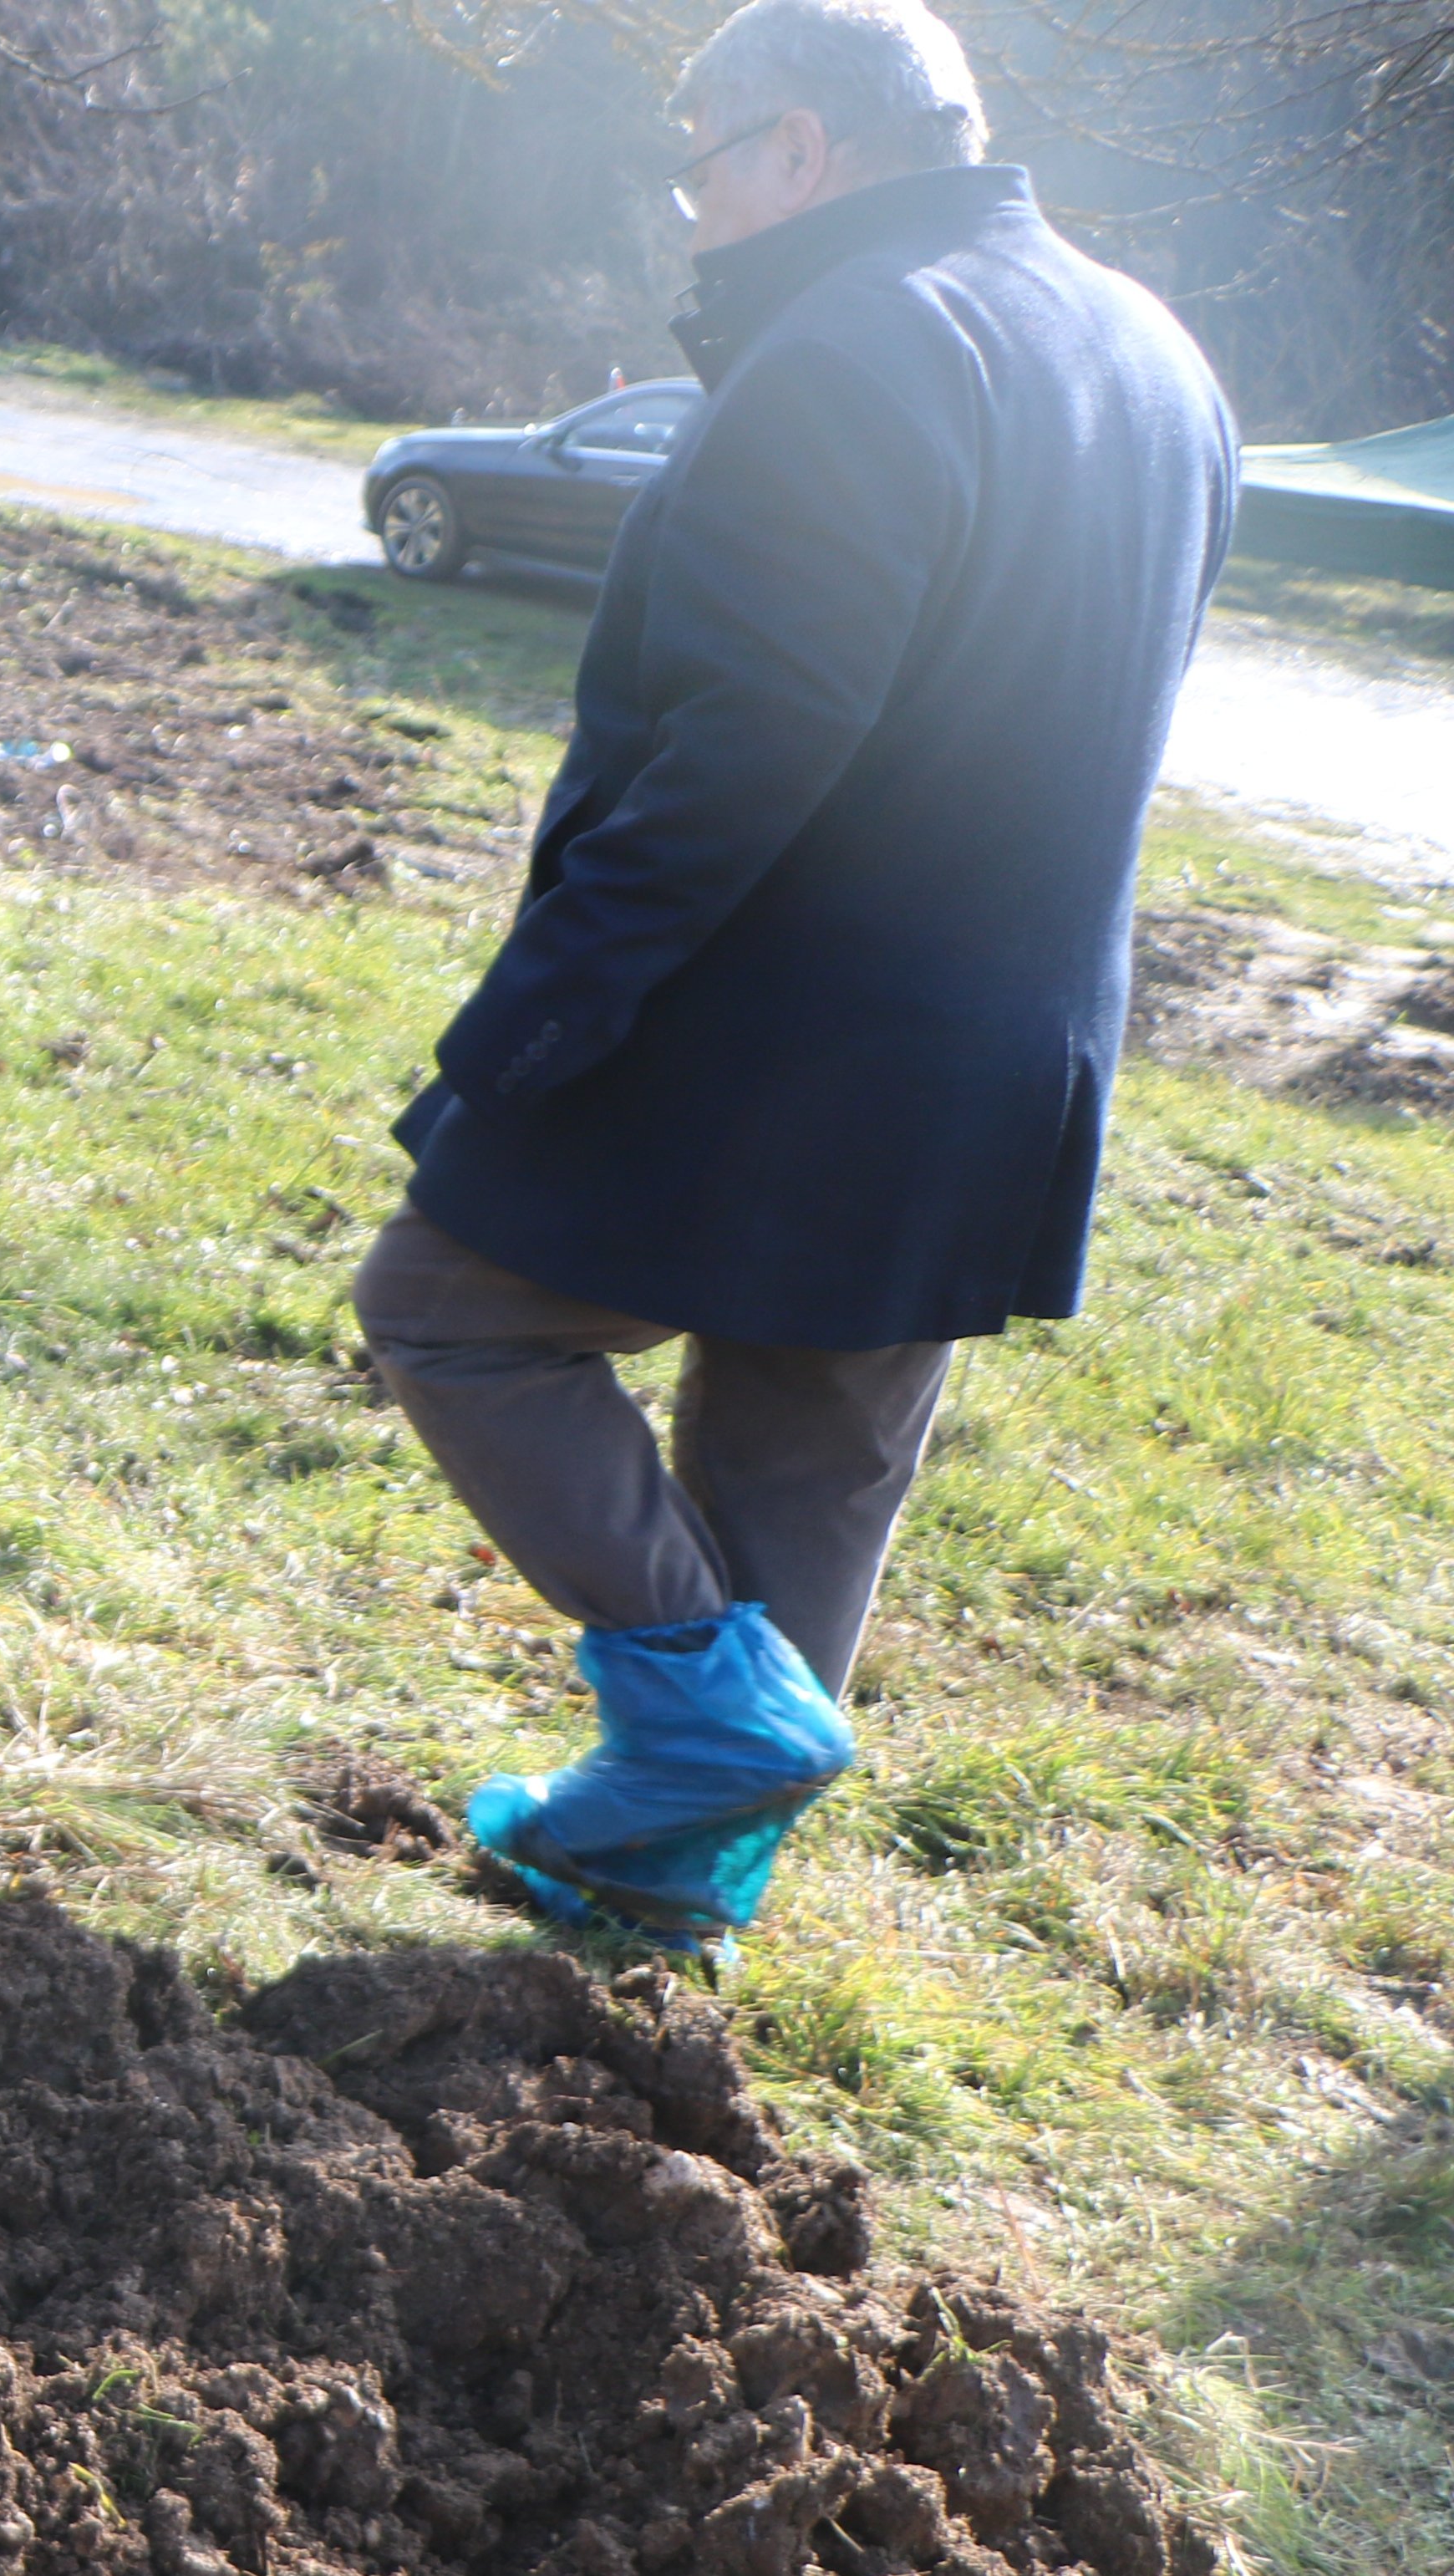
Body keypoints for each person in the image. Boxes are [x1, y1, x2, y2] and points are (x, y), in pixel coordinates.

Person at [356, 0, 1235, 1947]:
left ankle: (711, 1726)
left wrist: (531, 1026)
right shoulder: (1157, 354)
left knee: (449, 1307)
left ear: (804, 151)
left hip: (773, 1037)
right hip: (1005, 1067)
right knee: (810, 1456)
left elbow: (743, 745)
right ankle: (655, 1907)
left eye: (701, 164)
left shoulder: (860, 344)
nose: (692, 217)